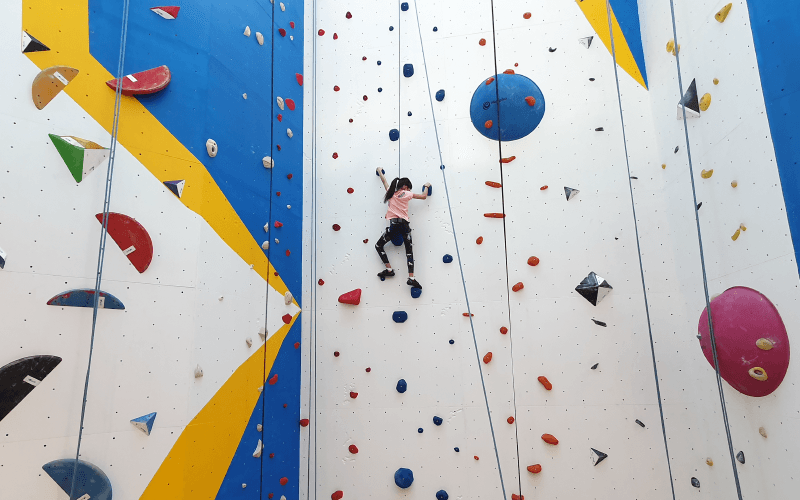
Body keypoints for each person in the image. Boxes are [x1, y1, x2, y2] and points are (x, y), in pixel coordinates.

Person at [375, 167, 430, 288]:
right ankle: (411, 278)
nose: (409, 190)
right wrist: (426, 185)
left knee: (378, 246)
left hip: (394, 226)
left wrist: (379, 171)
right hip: (404, 226)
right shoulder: (407, 193)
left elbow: (384, 181)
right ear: (405, 186)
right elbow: (423, 196)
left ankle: (389, 270)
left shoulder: (390, 193)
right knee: (409, 252)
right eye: (409, 188)